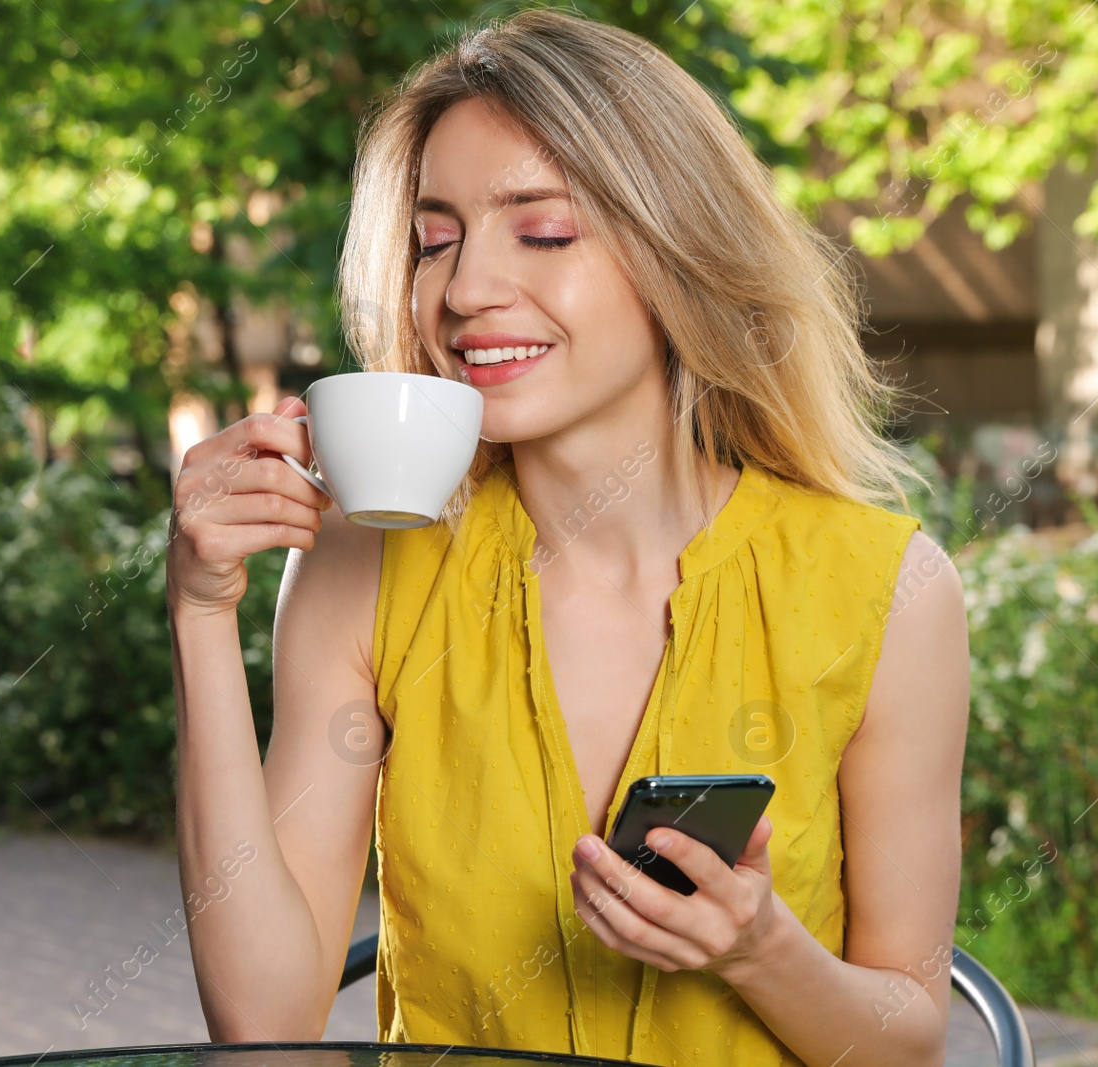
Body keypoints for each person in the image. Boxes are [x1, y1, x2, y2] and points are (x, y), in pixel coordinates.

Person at [165, 10, 968, 1067]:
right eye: (435, 238)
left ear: (675, 250)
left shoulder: (884, 590)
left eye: (541, 231)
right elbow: (264, 1022)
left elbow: (906, 1038)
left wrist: (760, 946)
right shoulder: (366, 564)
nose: (463, 291)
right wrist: (199, 611)